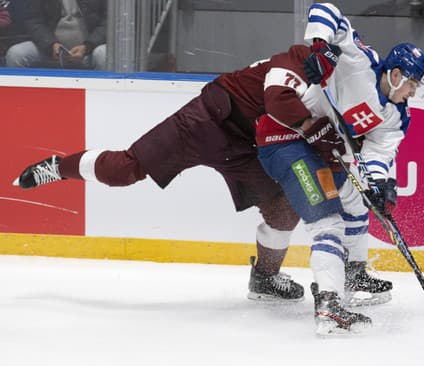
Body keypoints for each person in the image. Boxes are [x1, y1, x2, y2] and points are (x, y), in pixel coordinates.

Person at [13, 24, 395, 307]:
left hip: (250, 146)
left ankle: (264, 278)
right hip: (207, 120)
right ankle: (58, 166)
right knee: (126, 170)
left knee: (283, 208)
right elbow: (278, 99)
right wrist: (314, 130)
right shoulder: (296, 59)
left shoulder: (337, 88)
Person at [255, 2, 424, 334]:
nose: (412, 93)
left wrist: (379, 185)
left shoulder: (396, 117)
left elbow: (378, 155)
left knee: (356, 200)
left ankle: (352, 277)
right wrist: (321, 45)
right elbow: (325, 8)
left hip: (323, 151)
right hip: (286, 140)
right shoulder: (360, 62)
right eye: (411, 85)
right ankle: (329, 304)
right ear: (396, 75)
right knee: (328, 223)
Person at [5, 0, 106, 70]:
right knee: (16, 54)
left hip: (89, 52)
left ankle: (104, 99)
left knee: (103, 55)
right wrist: (50, 44)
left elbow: (109, 21)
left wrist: (87, 46)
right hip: (50, 50)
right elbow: (34, 20)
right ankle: (21, 100)